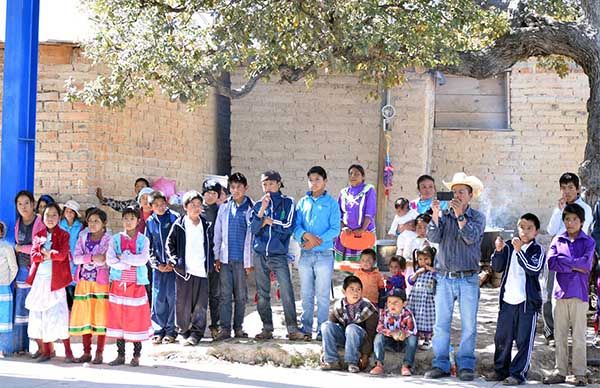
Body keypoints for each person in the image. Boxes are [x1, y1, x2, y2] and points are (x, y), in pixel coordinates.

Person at [424, 172, 485, 382]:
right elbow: (433, 237)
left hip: (468, 278)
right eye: (454, 192)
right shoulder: (444, 214)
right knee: (441, 324)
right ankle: (440, 363)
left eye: (461, 192)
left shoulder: (477, 217)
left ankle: (466, 365)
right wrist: (434, 215)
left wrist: (460, 216)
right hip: (444, 277)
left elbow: (470, 237)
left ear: (470, 195)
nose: (456, 195)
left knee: (469, 324)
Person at [486, 213, 545, 386]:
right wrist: (498, 250)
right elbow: (497, 267)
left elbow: (533, 269)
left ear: (536, 232)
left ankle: (517, 374)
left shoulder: (537, 250)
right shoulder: (510, 247)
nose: (525, 231)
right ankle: (500, 370)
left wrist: (520, 252)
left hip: (527, 304)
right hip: (507, 301)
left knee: (523, 340)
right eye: (522, 227)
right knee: (502, 338)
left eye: (529, 228)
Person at [543, 204, 595, 387]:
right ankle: (560, 371)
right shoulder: (558, 239)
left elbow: (586, 265)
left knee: (580, 336)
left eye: (574, 219)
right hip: (560, 294)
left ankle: (580, 373)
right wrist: (574, 264)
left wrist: (564, 262)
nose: (570, 223)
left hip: (579, 294)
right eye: (567, 219)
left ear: (581, 222)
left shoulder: (588, 242)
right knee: (560, 335)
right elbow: (551, 263)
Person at [251, 170, 305, 340]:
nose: (268, 187)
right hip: (260, 254)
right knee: (262, 293)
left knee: (287, 291)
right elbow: (253, 229)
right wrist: (262, 212)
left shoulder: (288, 202)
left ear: (279, 183)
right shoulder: (259, 205)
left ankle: (292, 328)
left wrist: (270, 222)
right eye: (264, 184)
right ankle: (267, 328)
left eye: (271, 183)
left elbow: (288, 226)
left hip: (278, 254)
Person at [544, 172, 593, 347]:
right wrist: (559, 211)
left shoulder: (585, 209)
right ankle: (552, 334)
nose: (567, 191)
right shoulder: (559, 208)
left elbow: (579, 233)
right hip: (556, 258)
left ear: (578, 189)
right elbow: (551, 231)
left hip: (575, 259)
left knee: (573, 297)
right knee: (550, 294)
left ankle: (572, 334)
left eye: (571, 187)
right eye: (563, 188)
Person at [294, 166, 341, 340]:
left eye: (317, 179)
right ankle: (306, 328)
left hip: (324, 255)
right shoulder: (302, 202)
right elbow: (296, 226)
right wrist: (305, 236)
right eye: (311, 180)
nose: (314, 183)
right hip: (305, 255)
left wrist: (317, 240)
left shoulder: (331, 203)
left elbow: (335, 229)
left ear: (325, 181)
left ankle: (322, 330)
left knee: (322, 294)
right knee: (306, 293)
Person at [26, 203, 74, 363]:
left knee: (59, 315)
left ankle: (68, 351)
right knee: (40, 314)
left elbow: (63, 254)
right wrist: (44, 255)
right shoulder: (38, 235)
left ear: (59, 217)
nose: (50, 218)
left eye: (54, 215)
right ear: (42, 217)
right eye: (47, 215)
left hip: (56, 282)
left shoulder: (64, 235)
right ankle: (47, 350)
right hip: (40, 281)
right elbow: (34, 255)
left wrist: (50, 254)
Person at [106, 207, 153, 366]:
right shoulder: (115, 239)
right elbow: (110, 260)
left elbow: (142, 260)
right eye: (125, 218)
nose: (128, 221)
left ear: (138, 221)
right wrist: (129, 263)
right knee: (118, 318)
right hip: (119, 285)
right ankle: (120, 354)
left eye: (132, 218)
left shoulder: (143, 240)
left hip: (136, 285)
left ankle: (136, 354)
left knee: (136, 319)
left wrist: (124, 257)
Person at [166, 191, 213, 346]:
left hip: (201, 270)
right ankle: (183, 332)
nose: (196, 208)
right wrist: (174, 260)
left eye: (199, 205)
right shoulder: (179, 225)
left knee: (200, 304)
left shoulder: (205, 225)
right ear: (185, 207)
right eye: (192, 205)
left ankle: (196, 334)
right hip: (184, 270)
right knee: (182, 303)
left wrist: (211, 262)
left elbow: (211, 246)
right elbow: (169, 244)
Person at [213, 173, 254, 341]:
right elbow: (218, 233)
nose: (236, 190)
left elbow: (252, 238)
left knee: (241, 295)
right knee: (225, 295)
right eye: (233, 187)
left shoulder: (251, 208)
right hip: (225, 259)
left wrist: (250, 261)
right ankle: (225, 329)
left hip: (242, 260)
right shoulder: (224, 207)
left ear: (246, 188)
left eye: (239, 187)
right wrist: (216, 256)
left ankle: (238, 327)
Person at [69, 208, 111, 364]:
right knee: (85, 315)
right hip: (84, 282)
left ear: (104, 223)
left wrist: (88, 258)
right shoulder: (82, 236)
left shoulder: (109, 239)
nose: (92, 224)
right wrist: (93, 257)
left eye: (96, 221)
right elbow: (76, 258)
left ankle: (99, 352)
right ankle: (86, 352)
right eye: (90, 220)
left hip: (100, 283)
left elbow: (105, 259)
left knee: (101, 316)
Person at [320, 275, 378, 373]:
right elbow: (330, 329)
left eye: (358, 289)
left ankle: (352, 362)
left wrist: (365, 355)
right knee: (326, 326)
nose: (356, 293)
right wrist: (323, 350)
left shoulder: (368, 308)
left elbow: (371, 334)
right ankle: (331, 360)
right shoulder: (338, 306)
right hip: (344, 338)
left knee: (351, 328)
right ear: (344, 291)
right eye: (352, 289)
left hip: (360, 340)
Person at [13, 191, 45, 355]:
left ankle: (42, 346)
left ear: (33, 204)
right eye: (20, 204)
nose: (23, 207)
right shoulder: (18, 222)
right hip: (21, 271)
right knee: (21, 307)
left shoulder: (40, 222)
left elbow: (38, 247)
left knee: (37, 307)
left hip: (37, 271)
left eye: (27, 203)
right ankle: (21, 345)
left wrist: (20, 248)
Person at [145, 191, 179, 345]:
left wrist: (174, 262)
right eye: (156, 205)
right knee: (158, 298)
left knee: (173, 297)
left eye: (162, 204)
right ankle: (158, 330)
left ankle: (171, 330)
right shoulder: (150, 222)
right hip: (158, 268)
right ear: (151, 207)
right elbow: (148, 245)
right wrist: (156, 264)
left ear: (166, 203)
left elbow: (180, 242)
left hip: (173, 268)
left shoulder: (175, 218)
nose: (160, 207)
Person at [369, 288, 418, 376]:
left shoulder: (407, 314)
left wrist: (402, 333)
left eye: (396, 302)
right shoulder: (384, 313)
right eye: (389, 302)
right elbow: (379, 328)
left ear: (404, 303)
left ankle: (406, 365)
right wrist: (392, 333)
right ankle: (378, 364)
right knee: (378, 336)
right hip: (390, 342)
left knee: (413, 338)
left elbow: (412, 330)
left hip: (403, 342)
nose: (392, 305)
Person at [334, 164, 377, 262]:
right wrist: (344, 227)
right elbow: (339, 213)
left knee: (364, 265)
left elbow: (370, 212)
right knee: (347, 266)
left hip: (364, 233)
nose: (353, 176)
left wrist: (362, 229)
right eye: (351, 174)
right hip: (348, 234)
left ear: (363, 177)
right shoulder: (343, 192)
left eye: (357, 174)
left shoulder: (368, 190)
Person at [202, 179, 223, 339]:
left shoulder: (221, 212)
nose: (210, 196)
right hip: (199, 259)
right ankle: (198, 326)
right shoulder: (197, 211)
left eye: (214, 193)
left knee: (214, 294)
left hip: (215, 259)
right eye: (207, 193)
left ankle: (215, 325)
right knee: (199, 294)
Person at [407, 246, 437, 350]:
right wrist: (417, 273)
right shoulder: (418, 271)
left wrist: (430, 269)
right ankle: (418, 338)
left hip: (427, 301)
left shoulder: (433, 272)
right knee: (417, 318)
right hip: (416, 299)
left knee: (428, 319)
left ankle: (428, 340)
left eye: (426, 259)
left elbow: (438, 276)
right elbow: (410, 281)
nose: (423, 262)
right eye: (420, 259)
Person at [59, 200, 83, 310]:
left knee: (73, 286)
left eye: (72, 212)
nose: (69, 213)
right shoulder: (59, 225)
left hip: (75, 260)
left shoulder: (80, 227)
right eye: (67, 211)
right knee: (63, 286)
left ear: (75, 214)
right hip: (62, 260)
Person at [0, 221, 17, 356]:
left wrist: (6, 282)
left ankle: (4, 349)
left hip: (4, 289)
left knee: (4, 319)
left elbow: (13, 268)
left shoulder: (6, 247)